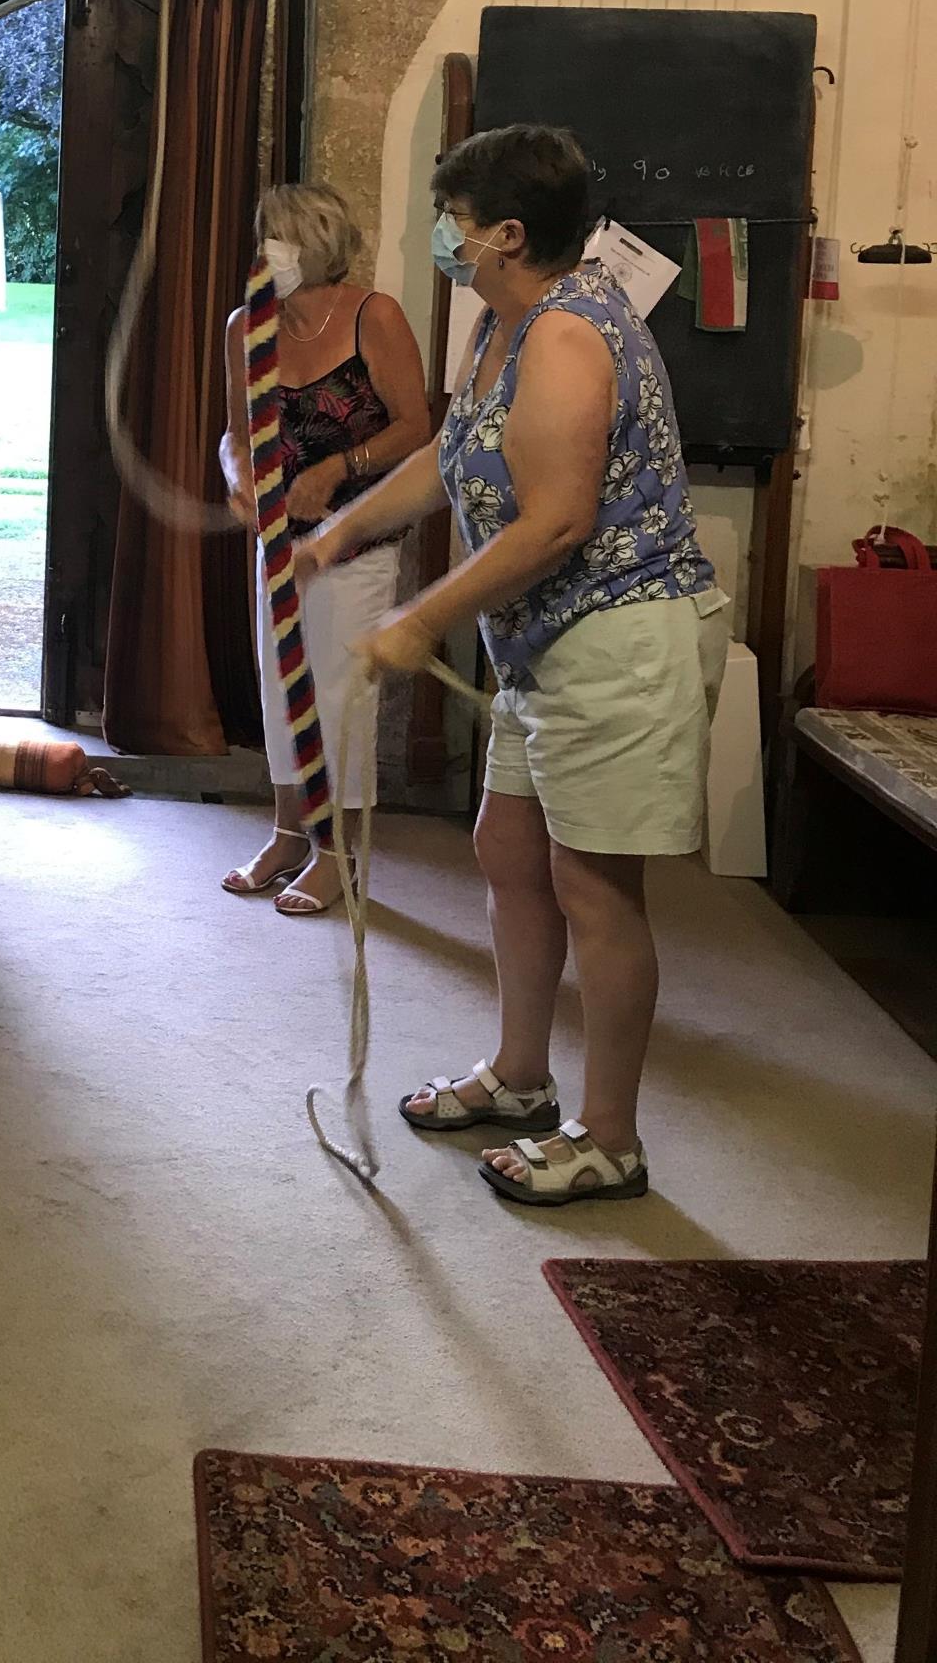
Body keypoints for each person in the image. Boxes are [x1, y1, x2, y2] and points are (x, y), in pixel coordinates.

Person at [293, 125, 727, 1206]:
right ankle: (522, 1079)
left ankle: (611, 1138)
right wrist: (346, 528)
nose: (443, 235)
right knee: (508, 850)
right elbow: (452, 459)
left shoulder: (573, 336)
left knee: (595, 886)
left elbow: (555, 523)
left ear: (508, 234)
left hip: (625, 638)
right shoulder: (502, 323)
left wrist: (417, 619)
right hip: (547, 648)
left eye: (453, 217)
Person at [218, 183, 431, 913]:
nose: (262, 253)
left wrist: (339, 469)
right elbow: (237, 437)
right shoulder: (246, 325)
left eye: (274, 238)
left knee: (339, 697)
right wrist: (239, 478)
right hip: (279, 545)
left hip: (358, 540)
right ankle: (286, 835)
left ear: (312, 243)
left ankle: (337, 855)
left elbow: (416, 426)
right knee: (280, 690)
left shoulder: (376, 315)